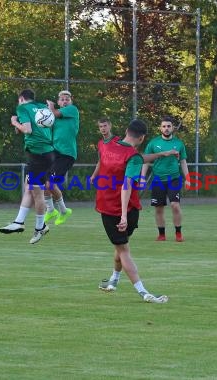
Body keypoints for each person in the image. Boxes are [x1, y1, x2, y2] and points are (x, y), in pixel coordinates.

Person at [96, 119, 172, 303]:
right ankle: (114, 281)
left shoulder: (108, 144)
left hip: (111, 208)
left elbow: (128, 181)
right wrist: (123, 214)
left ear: (126, 131)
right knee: (121, 246)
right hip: (128, 210)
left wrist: (161, 154)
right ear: (142, 138)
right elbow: (129, 179)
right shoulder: (132, 156)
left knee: (122, 249)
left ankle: (143, 292)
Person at [0, 88, 53, 244]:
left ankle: (39, 227)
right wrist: (19, 126)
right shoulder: (42, 107)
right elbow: (35, 128)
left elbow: (27, 129)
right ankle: (19, 222)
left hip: (38, 154)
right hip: (47, 152)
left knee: (37, 193)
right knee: (29, 187)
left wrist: (15, 122)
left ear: (21, 99)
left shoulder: (22, 108)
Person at [140, 116, 190, 242]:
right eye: (164, 126)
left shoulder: (179, 144)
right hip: (158, 180)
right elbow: (146, 161)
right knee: (159, 208)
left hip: (174, 179)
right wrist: (142, 177)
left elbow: (183, 162)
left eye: (168, 126)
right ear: (160, 128)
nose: (166, 128)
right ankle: (161, 234)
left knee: (175, 205)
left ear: (172, 128)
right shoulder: (153, 143)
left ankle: (178, 233)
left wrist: (188, 178)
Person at [44, 90, 80, 226]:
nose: (65, 101)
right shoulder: (54, 116)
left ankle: (64, 211)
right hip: (55, 153)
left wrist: (51, 106)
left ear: (70, 101)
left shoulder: (72, 110)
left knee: (50, 184)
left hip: (66, 154)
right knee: (44, 183)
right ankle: (51, 210)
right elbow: (46, 122)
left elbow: (54, 112)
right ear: (59, 102)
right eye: (62, 99)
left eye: (67, 99)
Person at [90, 117, 120, 184]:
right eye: (101, 126)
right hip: (103, 178)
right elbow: (100, 161)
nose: (103, 128)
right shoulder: (100, 143)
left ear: (110, 126)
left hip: (116, 179)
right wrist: (94, 175)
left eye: (105, 126)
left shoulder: (117, 141)